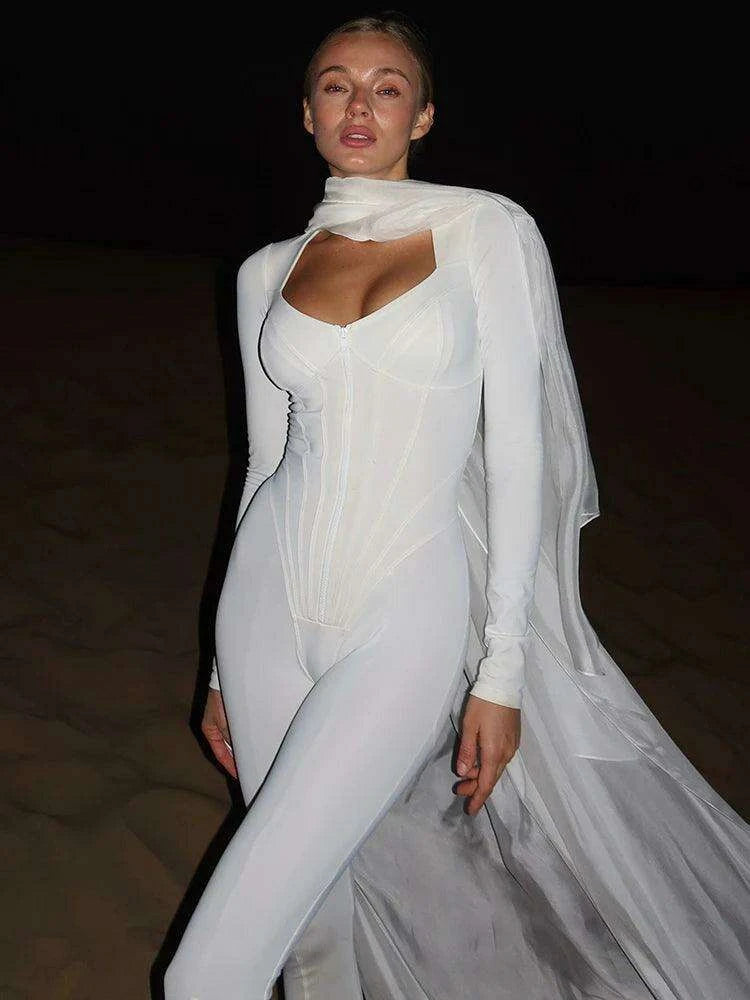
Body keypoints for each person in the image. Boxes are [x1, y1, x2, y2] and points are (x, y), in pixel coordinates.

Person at [163, 14, 750, 1000]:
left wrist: (501, 670)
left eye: (387, 87)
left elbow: (519, 453)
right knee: (311, 928)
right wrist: (221, 668)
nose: (360, 104)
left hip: (407, 608)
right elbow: (264, 462)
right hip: (263, 605)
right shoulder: (265, 270)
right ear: (306, 113)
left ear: (423, 116)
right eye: (337, 84)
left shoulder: (485, 232)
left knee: (202, 973)